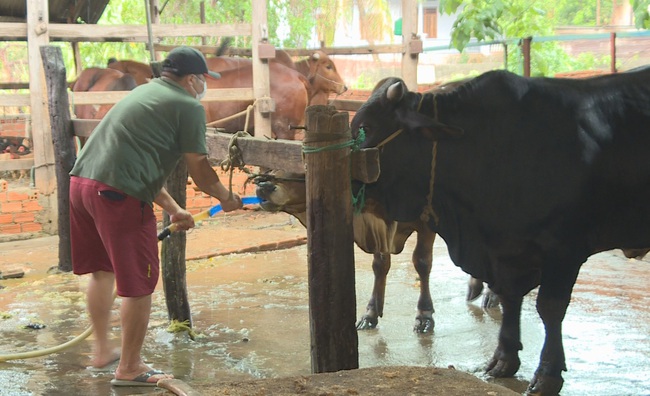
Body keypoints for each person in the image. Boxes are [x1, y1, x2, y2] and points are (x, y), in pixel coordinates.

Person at [69, 46, 243, 386]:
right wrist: (227, 197)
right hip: (116, 196)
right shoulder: (188, 106)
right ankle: (130, 368)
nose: (203, 86)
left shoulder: (144, 91)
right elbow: (201, 170)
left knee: (103, 272)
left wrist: (175, 209)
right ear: (192, 79)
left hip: (83, 185)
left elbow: (133, 163)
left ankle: (103, 351)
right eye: (203, 79)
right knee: (138, 284)